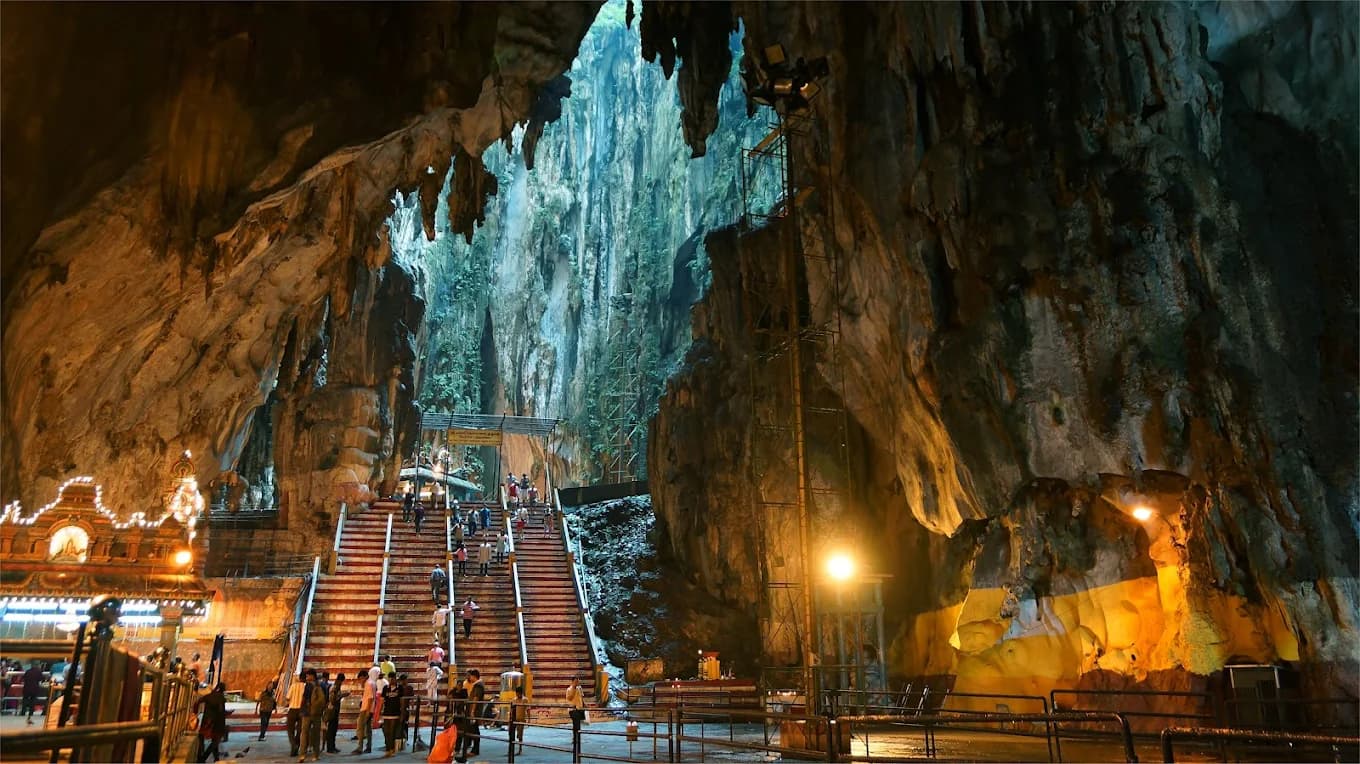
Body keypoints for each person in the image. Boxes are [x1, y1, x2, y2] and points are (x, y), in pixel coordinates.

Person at [194, 682, 229, 762]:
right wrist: (226, 713)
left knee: (202, 738)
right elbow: (220, 710)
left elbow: (197, 702)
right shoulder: (221, 698)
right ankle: (203, 758)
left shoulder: (208, 696)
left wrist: (195, 712)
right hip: (217, 723)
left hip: (206, 722)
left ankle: (214, 758)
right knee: (215, 741)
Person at [353, 666, 382, 754]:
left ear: (364, 677)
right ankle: (368, 746)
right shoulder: (372, 683)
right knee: (368, 729)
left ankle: (360, 747)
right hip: (370, 709)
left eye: (360, 679)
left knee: (361, 728)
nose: (360, 681)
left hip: (366, 709)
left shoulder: (368, 684)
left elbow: (370, 698)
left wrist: (368, 711)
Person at [300, 669, 325, 762]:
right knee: (311, 734)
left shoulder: (313, 686)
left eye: (308, 676)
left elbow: (304, 698)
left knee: (308, 734)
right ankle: (310, 754)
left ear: (312, 676)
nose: (306, 678)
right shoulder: (317, 685)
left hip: (311, 713)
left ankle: (307, 754)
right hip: (312, 713)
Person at [285, 671, 309, 757]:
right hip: (302, 711)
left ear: (299, 678)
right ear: (305, 678)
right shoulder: (306, 687)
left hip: (292, 709)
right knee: (299, 731)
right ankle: (296, 746)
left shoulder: (293, 686)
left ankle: (293, 745)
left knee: (290, 730)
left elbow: (287, 698)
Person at [380, 672, 403, 757]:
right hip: (386, 712)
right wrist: (379, 712)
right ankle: (387, 748)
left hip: (395, 712)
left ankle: (391, 749)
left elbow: (401, 701)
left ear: (395, 679)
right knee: (386, 731)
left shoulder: (399, 688)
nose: (391, 680)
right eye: (389, 678)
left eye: (392, 678)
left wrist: (401, 713)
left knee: (392, 732)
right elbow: (382, 701)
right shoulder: (385, 688)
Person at [325, 673, 347, 753]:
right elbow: (333, 699)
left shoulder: (335, 686)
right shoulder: (335, 687)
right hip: (333, 710)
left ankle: (332, 746)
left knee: (333, 729)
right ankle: (330, 747)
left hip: (334, 710)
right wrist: (342, 695)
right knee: (332, 729)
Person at [509, 685, 528, 755]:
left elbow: (528, 709)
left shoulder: (525, 700)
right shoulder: (514, 700)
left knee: (520, 735)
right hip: (514, 719)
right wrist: (510, 717)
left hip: (521, 719)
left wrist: (528, 719)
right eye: (516, 693)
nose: (517, 694)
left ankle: (520, 749)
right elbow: (511, 710)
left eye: (518, 693)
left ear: (521, 693)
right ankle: (511, 749)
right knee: (513, 734)